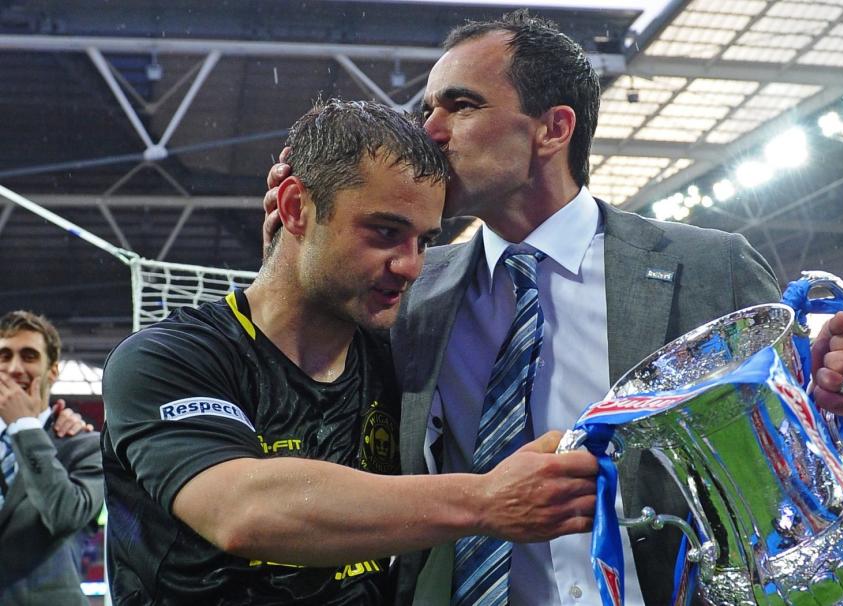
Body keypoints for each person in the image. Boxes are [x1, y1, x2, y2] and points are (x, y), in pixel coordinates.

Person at [260, 11, 843, 606]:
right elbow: (310, 395)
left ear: (552, 128)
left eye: (461, 105)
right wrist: (293, 249)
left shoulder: (709, 267)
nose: (429, 130)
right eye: (428, 108)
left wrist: (828, 400)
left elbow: (805, 464)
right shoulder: (410, 287)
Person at [101, 99, 597, 606]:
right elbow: (242, 509)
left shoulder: (403, 365)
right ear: (294, 208)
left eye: (424, 241)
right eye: (385, 232)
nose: (410, 266)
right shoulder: (168, 359)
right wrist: (486, 499)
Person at [0, 310, 104, 605]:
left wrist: (25, 427)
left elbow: (64, 514)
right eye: (4, 356)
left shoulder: (87, 446)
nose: (14, 368)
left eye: (29, 356)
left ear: (53, 371)